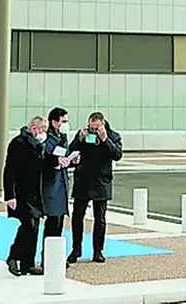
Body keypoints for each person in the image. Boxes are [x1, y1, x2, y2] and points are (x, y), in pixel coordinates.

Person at [67, 112, 123, 264]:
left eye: (96, 128)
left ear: (103, 124)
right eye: (92, 128)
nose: (94, 131)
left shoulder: (113, 136)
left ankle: (98, 251)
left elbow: (117, 155)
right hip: (83, 179)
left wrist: (105, 139)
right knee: (77, 216)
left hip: (101, 181)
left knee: (100, 218)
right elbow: (70, 151)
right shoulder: (84, 134)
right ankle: (76, 249)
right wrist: (79, 139)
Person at [3, 115, 50, 277]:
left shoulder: (39, 145)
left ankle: (28, 263)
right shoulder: (18, 144)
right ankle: (14, 256)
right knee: (28, 225)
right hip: (21, 193)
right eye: (43, 130)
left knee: (35, 227)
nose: (44, 133)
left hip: (35, 193)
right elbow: (10, 171)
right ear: (34, 128)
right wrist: (10, 195)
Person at [41, 108, 77, 265]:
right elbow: (46, 160)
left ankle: (56, 257)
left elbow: (65, 156)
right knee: (52, 223)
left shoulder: (62, 137)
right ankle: (47, 258)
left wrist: (72, 160)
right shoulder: (46, 139)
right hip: (51, 186)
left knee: (59, 223)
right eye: (63, 121)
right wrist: (56, 162)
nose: (65, 125)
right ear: (54, 122)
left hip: (61, 185)